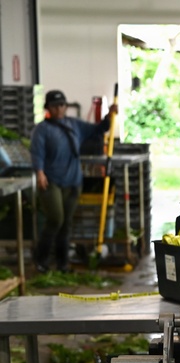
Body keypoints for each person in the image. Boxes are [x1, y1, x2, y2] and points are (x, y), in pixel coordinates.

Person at [29, 89, 117, 272]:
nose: (59, 108)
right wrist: (39, 172)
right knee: (55, 219)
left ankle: (63, 264)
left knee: (66, 222)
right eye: (55, 105)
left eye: (62, 105)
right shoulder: (42, 130)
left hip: (73, 181)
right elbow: (36, 152)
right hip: (51, 181)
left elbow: (98, 130)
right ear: (48, 108)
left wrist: (109, 115)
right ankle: (41, 259)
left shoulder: (74, 125)